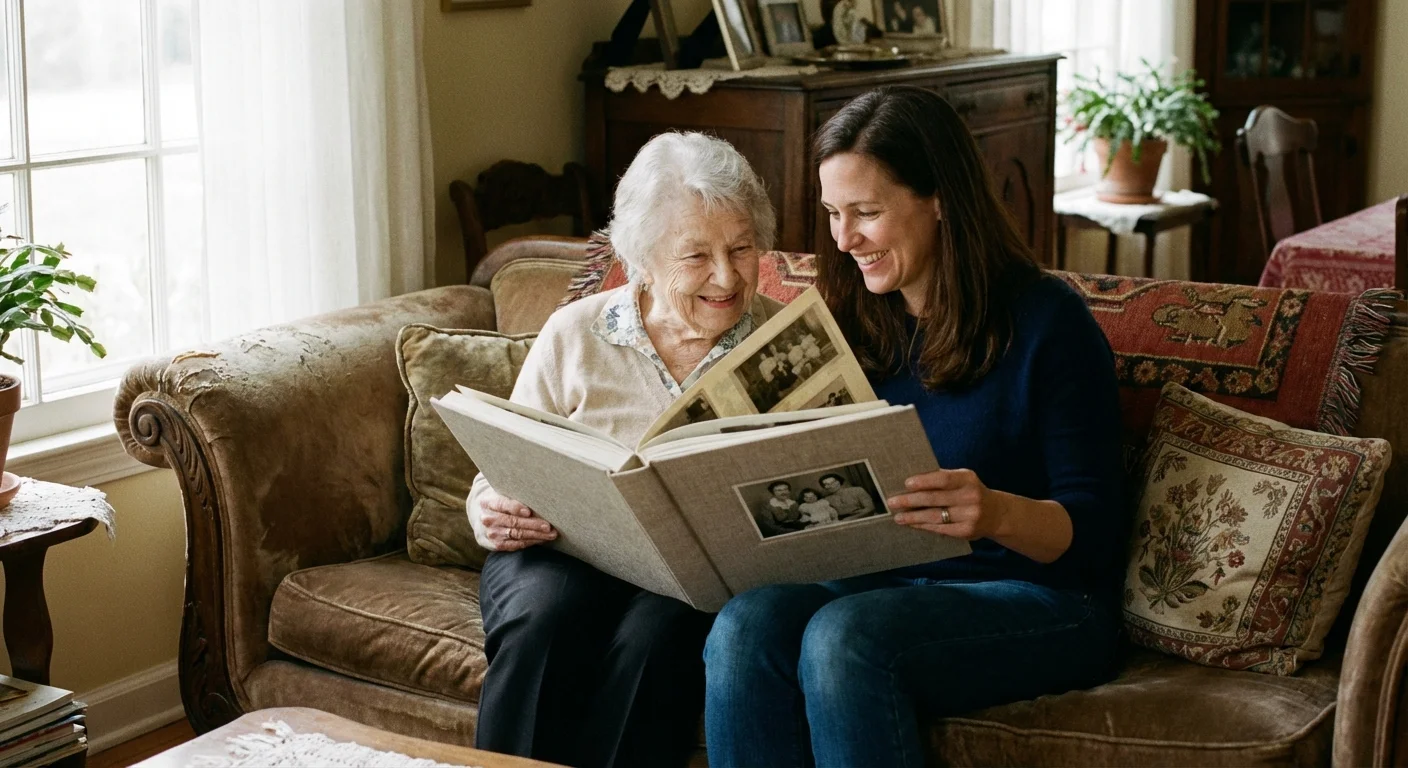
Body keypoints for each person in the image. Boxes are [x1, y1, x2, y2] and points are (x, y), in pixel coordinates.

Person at [703, 85, 1126, 767]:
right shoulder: (851, 321)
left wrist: (993, 511)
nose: (844, 240)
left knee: (845, 636)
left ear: (940, 200)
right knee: (746, 623)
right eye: (834, 214)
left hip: (1043, 597)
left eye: (867, 213)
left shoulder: (1049, 323)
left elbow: (1097, 535)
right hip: (890, 581)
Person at [470, 131, 783, 768]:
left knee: (657, 640)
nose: (725, 276)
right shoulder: (576, 333)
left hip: (692, 575)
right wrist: (490, 508)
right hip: (561, 553)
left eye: (741, 248)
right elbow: (497, 468)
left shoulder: (789, 347)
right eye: (696, 256)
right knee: (543, 621)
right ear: (640, 257)